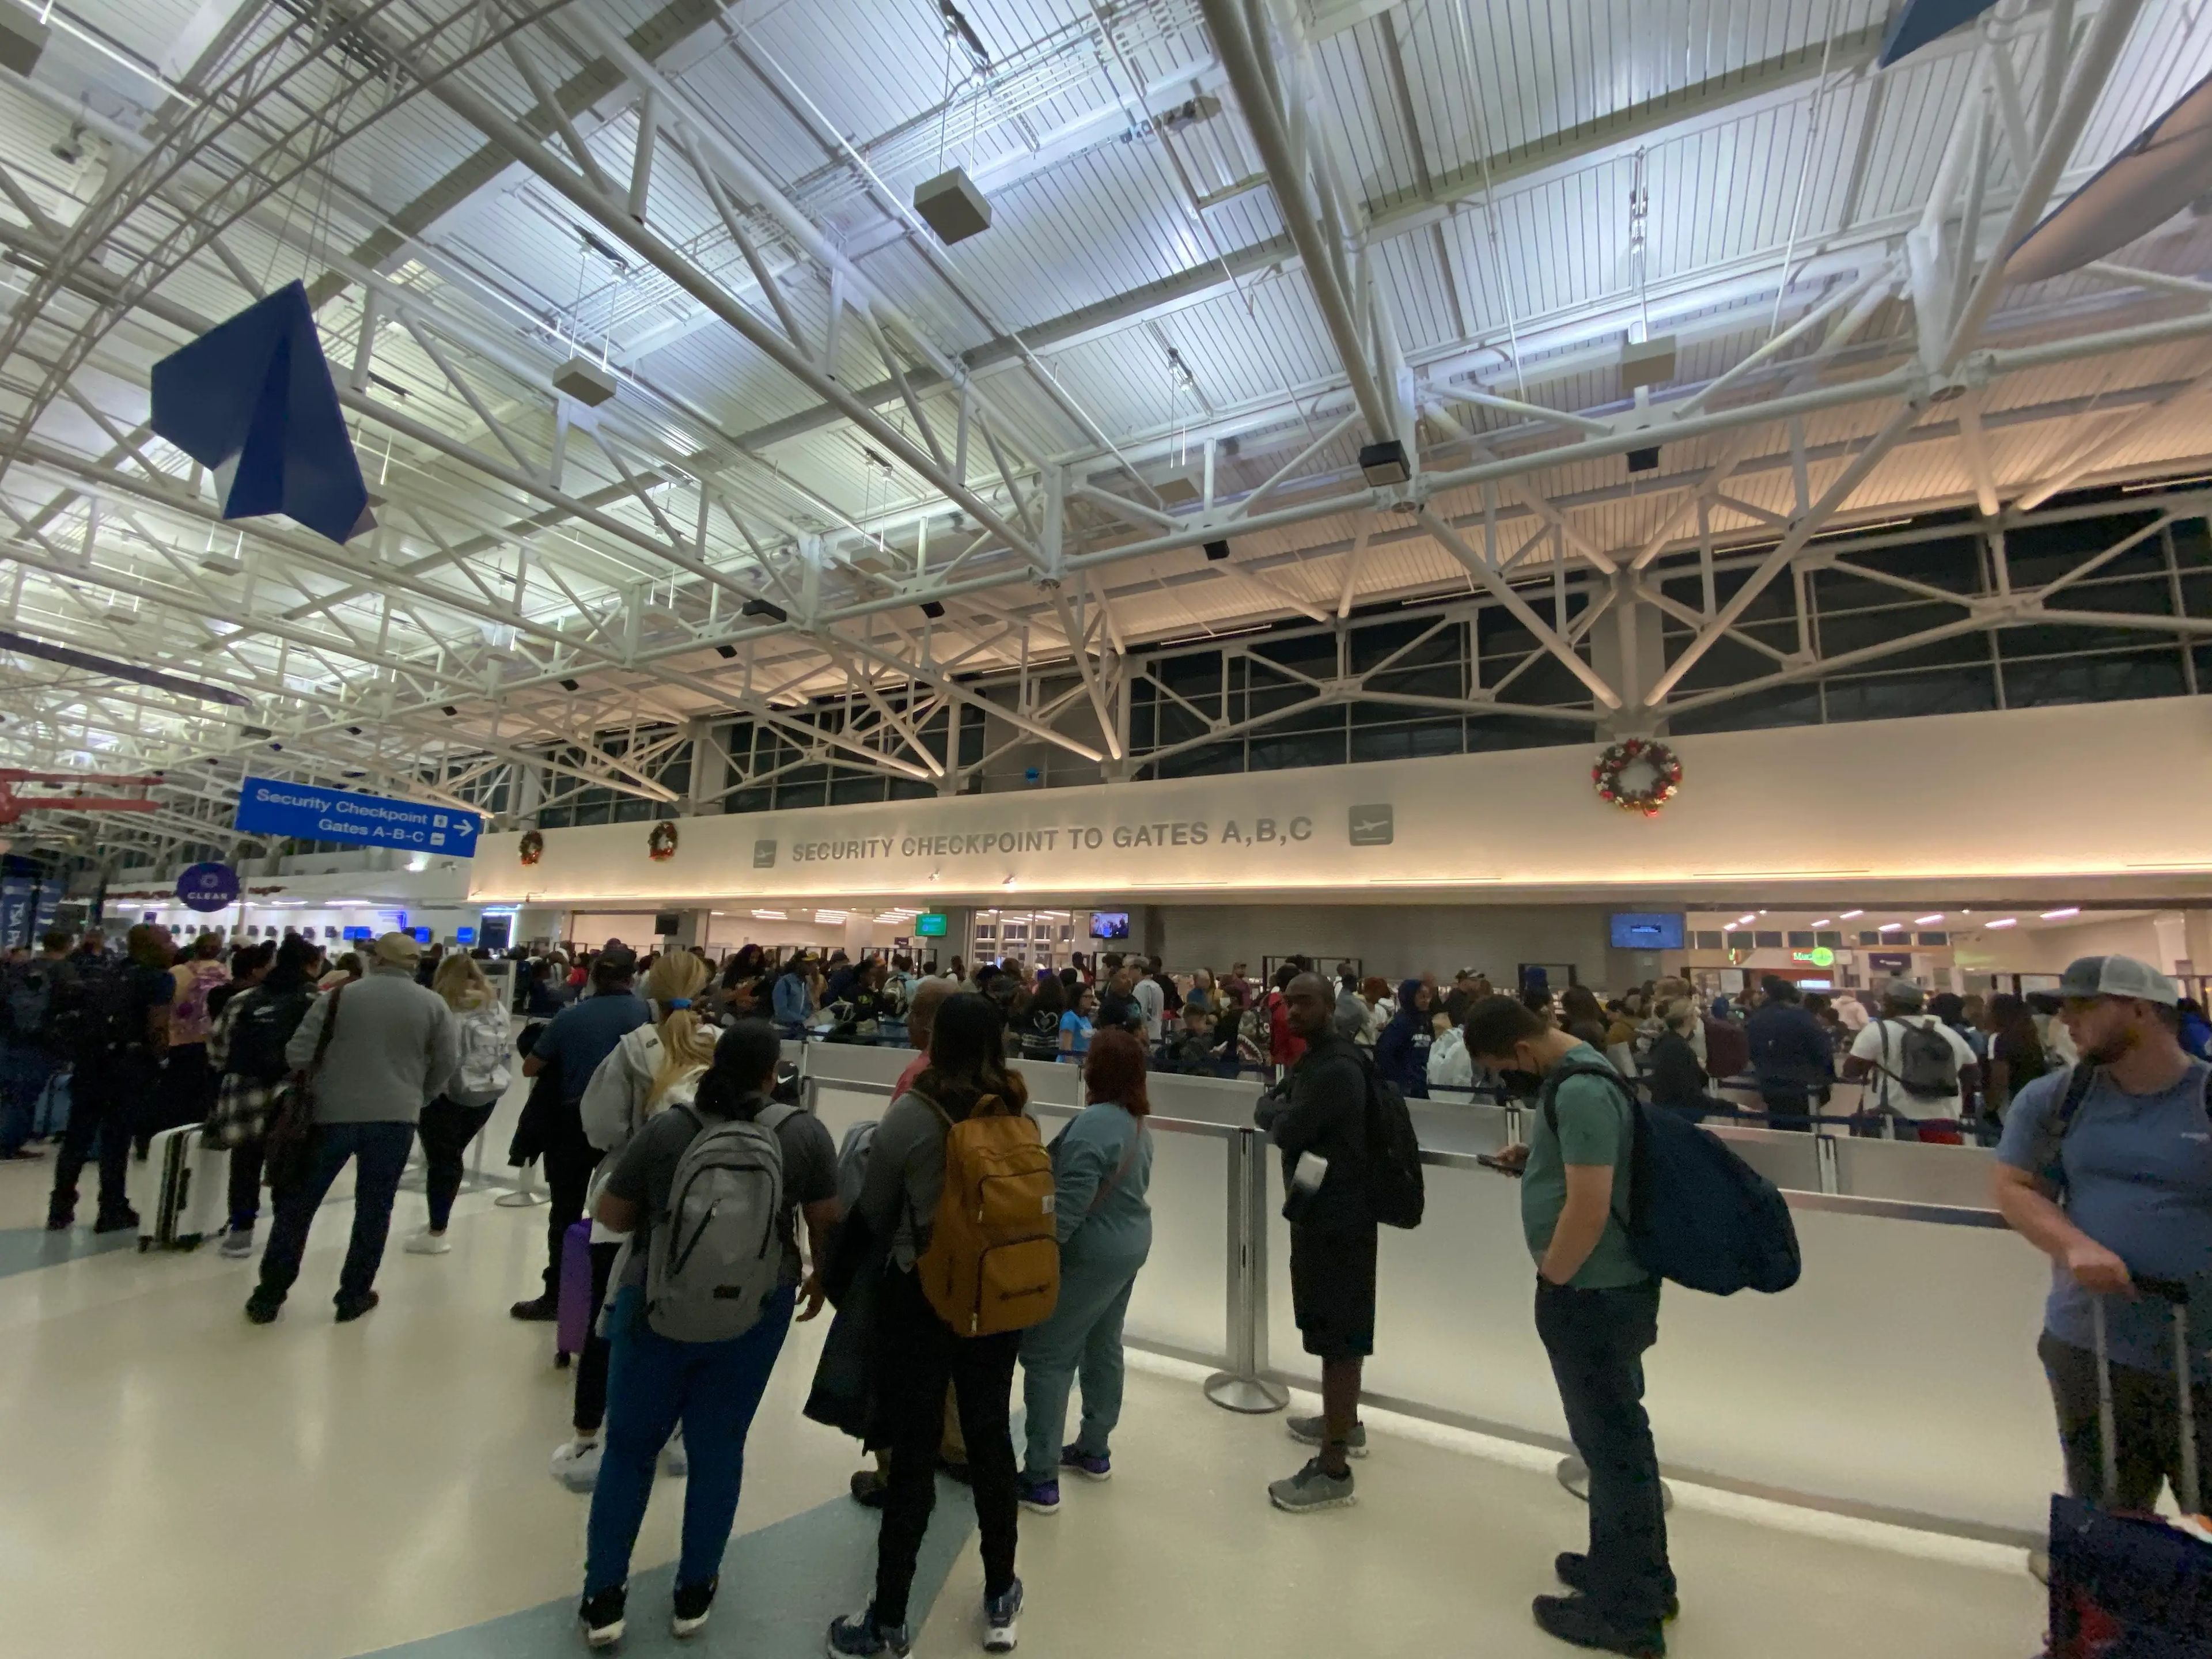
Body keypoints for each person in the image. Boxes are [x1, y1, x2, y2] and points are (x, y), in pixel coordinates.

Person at [578, 1020, 840, 1648]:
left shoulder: (672, 1128)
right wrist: (820, 1279)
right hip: (757, 1306)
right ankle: (694, 1592)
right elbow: (826, 1219)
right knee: (719, 1448)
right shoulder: (802, 1133)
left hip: (656, 1302)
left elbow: (611, 1214)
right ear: (772, 1070)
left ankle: (604, 1599)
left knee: (630, 1449)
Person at [1462, 995, 1677, 1656]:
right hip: (1609, 1287)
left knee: (1611, 1446)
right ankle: (1635, 1573)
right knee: (1615, 1439)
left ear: (1523, 1051)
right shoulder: (1585, 1073)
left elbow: (1589, 1205)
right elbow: (1589, 1173)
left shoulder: (1579, 1093)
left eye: (1503, 1068)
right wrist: (1539, 1161)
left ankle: (1628, 1613)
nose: (1507, 1079)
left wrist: (1552, 1279)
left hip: (1593, 1290)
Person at [828, 994, 1032, 1658]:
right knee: (989, 1438)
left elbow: (873, 1214)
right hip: (996, 1300)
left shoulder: (916, 1115)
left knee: (912, 1452)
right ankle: (1001, 1593)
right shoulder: (1012, 1106)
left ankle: (887, 1619)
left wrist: (826, 1278)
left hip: (923, 1301)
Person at [1992, 956, 2212, 1519]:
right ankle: (2111, 1609)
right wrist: (2073, 1245)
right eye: (2062, 1007)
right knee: (2108, 1517)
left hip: (2203, 1350)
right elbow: (2016, 1187)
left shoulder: (2203, 1097)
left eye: (2084, 1005)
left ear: (2142, 1009)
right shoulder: (2057, 1100)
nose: (2067, 1020)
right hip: (2092, 1345)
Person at [554, 950, 722, 1490]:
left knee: (610, 1322)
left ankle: (588, 1439)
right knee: (685, 1324)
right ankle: (675, 1438)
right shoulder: (721, 1048)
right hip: (703, 1212)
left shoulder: (634, 1049)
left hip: (624, 1205)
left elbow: (600, 1127)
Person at [245, 933, 459, 1324]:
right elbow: (447, 1063)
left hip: (330, 1115)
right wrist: (418, 1095)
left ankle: (269, 1295)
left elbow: (297, 1053)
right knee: (374, 1209)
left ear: (375, 959)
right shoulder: (434, 1005)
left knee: (299, 1207)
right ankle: (353, 1295)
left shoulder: (339, 997)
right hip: (396, 1118)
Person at [1014, 1028, 1154, 1516]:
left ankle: (1039, 1477)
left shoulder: (1093, 1124)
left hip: (1089, 1253)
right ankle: (1095, 1448)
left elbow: (1068, 1208)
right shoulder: (1137, 1124)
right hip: (1130, 1244)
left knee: (1049, 1356)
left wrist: (1037, 1254)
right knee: (1103, 1344)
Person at [1252, 972, 1374, 1513]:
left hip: (1338, 1217)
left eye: (1305, 1003)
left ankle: (1334, 1464)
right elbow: (1283, 1109)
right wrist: (1280, 1111)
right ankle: (1339, 1422)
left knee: (1338, 1333)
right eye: (1288, 1003)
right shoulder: (1319, 1061)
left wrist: (1275, 1114)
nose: (1293, 1011)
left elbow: (1285, 1123)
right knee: (1330, 1328)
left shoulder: (1336, 1070)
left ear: (1330, 1006)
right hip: (1321, 1208)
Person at [512, 946, 651, 1323]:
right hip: (631, 1128)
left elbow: (530, 1068)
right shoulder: (648, 1015)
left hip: (571, 1124)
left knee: (566, 1212)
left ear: (592, 976)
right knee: (622, 1215)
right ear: (631, 977)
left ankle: (558, 1295)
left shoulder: (571, 1018)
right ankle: (611, 1299)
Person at [47, 922, 173, 1233]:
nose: (173, 945)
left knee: (78, 1136)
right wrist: (162, 1059)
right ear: (152, 946)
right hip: (129, 1067)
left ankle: (60, 1207)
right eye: (168, 940)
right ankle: (112, 1207)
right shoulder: (158, 979)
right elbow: (157, 1025)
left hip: (92, 1063)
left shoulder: (109, 972)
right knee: (116, 1140)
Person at [208, 937, 321, 1258]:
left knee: (245, 1163)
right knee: (290, 1163)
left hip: (244, 1090)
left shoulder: (244, 999)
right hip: (295, 1093)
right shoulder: (319, 1001)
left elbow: (217, 1048)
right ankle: (284, 1234)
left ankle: (241, 1233)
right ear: (312, 966)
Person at [406, 953, 513, 1256]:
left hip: (446, 1096)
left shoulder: (443, 1008)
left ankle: (436, 1230)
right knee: (452, 1158)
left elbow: (434, 1056)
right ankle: (438, 1221)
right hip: (486, 1093)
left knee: (442, 1161)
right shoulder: (496, 1008)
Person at [1843, 978, 1980, 1140]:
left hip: (1893, 1122)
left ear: (1888, 1002)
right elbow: (1972, 1072)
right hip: (1944, 1121)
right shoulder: (1946, 1032)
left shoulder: (1878, 1031)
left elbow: (1850, 1071)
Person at [1, 929, 75, 1160]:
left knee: (10, 1091)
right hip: (43, 1040)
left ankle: (8, 1139)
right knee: (26, 1093)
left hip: (13, 1036)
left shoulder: (22, 967)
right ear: (69, 944)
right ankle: (8, 1143)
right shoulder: (65, 970)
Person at [1745, 976, 1832, 1131]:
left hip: (1769, 1084)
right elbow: (1823, 1051)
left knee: (1778, 1126)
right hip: (1803, 1087)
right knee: (1804, 1132)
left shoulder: (1757, 1019)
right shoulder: (1803, 1018)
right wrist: (1827, 1080)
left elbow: (1750, 1051)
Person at [1980, 993, 2048, 1126]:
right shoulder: (2030, 1038)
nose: (1984, 1012)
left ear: (1998, 1013)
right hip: (2033, 1102)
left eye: (1987, 1008)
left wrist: (1990, 1108)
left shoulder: (1997, 1039)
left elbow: (2000, 1078)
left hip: (2010, 1106)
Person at [1646, 999, 1709, 1121]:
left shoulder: (1665, 1040)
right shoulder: (1679, 1047)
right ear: (1687, 1019)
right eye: (1696, 1015)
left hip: (1666, 1108)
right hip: (1680, 1114)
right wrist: (1731, 1106)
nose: (1698, 1018)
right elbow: (1690, 1092)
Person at [1372, 977, 1430, 1100]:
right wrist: (1400, 1082)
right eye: (1422, 997)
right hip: (1406, 1092)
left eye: (1427, 997)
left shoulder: (1426, 1022)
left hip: (1424, 1087)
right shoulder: (1400, 1024)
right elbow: (1383, 1053)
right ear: (1410, 998)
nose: (1427, 1001)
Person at [772, 952, 815, 1035]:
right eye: (807, 964)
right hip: (781, 1029)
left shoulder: (804, 983)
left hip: (797, 1029)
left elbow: (805, 1007)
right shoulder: (785, 982)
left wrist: (811, 1017)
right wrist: (803, 1019)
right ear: (798, 965)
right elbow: (781, 1012)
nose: (810, 967)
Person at [1131, 958, 1165, 1050]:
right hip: (1157, 1034)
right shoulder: (1157, 987)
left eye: (1131, 970)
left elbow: (1138, 1014)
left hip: (1144, 1038)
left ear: (1139, 970)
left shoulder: (1140, 987)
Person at [1058, 983, 1096, 1063]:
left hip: (1083, 1063)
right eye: (1087, 997)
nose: (1090, 1000)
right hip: (1070, 1066)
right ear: (1077, 998)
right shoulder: (1069, 1018)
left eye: (1091, 997)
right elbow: (1066, 1048)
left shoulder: (1085, 1018)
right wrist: (1071, 1068)